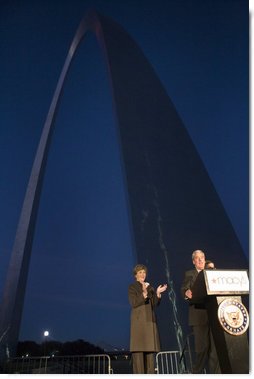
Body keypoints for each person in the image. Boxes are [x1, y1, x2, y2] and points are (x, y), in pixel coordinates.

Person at [181, 250, 220, 374]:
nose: (200, 260)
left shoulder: (211, 273)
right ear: (193, 261)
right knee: (202, 349)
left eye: (202, 257)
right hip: (198, 315)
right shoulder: (190, 274)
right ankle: (196, 373)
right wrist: (186, 293)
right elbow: (184, 288)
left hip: (214, 314)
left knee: (215, 349)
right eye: (197, 258)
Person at [128, 264, 167, 374]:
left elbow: (154, 304)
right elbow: (134, 303)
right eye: (140, 272)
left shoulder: (150, 287)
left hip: (150, 324)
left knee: (150, 360)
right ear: (135, 275)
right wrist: (144, 294)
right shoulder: (132, 287)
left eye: (144, 272)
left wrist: (158, 293)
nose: (142, 274)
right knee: (139, 359)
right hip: (138, 326)